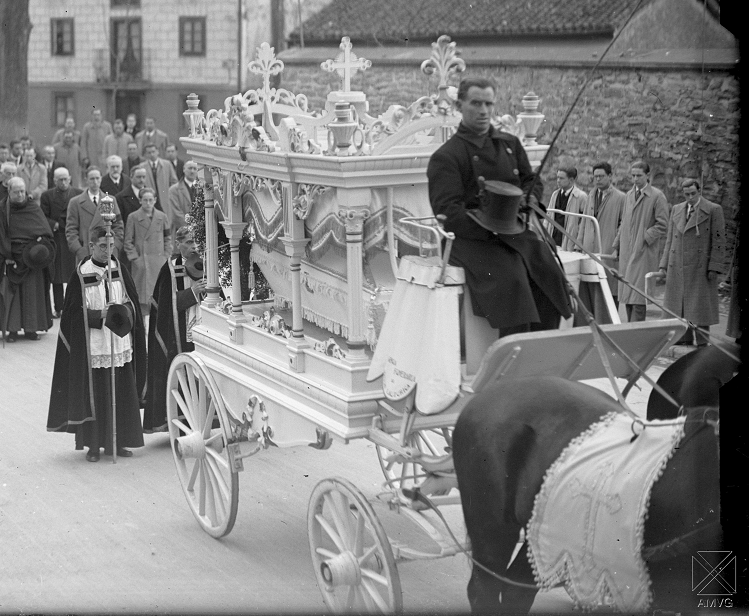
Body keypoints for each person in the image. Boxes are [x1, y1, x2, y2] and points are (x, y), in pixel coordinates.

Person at [427, 77, 572, 336]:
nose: (483, 111)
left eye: (488, 104)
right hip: (471, 241)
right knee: (512, 280)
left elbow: (530, 181)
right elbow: (448, 212)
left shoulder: (509, 144)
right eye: (475, 103)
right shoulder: (447, 156)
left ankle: (541, 347)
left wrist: (529, 200)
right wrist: (491, 224)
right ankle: (511, 351)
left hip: (513, 232)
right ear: (460, 105)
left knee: (549, 271)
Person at [46, 225, 146, 462]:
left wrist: (124, 311)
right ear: (91, 246)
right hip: (95, 345)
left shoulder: (118, 269)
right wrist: (98, 315)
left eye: (111, 246)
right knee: (98, 394)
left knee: (121, 392)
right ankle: (94, 445)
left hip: (118, 342)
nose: (107, 250)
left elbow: (132, 302)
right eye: (102, 246)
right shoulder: (81, 274)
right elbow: (71, 314)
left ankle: (119, 442)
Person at [143, 226, 206, 432]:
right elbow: (165, 307)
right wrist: (192, 293)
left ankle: (206, 420)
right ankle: (183, 423)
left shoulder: (207, 263)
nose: (193, 246)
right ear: (177, 245)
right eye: (188, 242)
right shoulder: (169, 269)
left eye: (195, 241)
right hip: (180, 335)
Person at [658, 179, 725, 346]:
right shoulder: (677, 209)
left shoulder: (712, 210)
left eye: (693, 194)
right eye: (686, 194)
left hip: (701, 267)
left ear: (699, 191)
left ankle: (702, 343)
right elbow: (669, 240)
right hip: (678, 264)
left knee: (700, 307)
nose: (690, 198)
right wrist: (663, 265)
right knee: (679, 305)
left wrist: (714, 267)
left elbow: (719, 241)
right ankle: (683, 339)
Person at [612, 161, 669, 322]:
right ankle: (630, 330)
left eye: (639, 175)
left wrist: (644, 237)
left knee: (638, 296)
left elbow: (663, 225)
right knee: (627, 295)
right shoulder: (629, 195)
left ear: (647, 176)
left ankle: (636, 333)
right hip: (626, 250)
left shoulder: (657, 196)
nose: (635, 179)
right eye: (633, 175)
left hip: (643, 252)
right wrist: (616, 245)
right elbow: (623, 223)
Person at [0, 177, 54, 342]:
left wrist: (39, 247)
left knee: (32, 294)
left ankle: (32, 329)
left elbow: (45, 232)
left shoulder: (33, 207)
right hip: (12, 257)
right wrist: (6, 255)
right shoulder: (3, 209)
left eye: (22, 191)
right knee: (13, 296)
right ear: (9, 191)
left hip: (32, 258)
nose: (20, 194)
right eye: (16, 192)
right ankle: (13, 331)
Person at [575, 162, 625, 322]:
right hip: (589, 249)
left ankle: (610, 325)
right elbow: (584, 222)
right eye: (595, 176)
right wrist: (578, 244)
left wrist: (616, 247)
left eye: (601, 176)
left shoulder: (620, 198)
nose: (598, 179)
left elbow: (623, 226)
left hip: (607, 250)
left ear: (610, 176)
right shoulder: (591, 195)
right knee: (590, 287)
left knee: (609, 289)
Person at [40, 167, 82, 317]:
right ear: (54, 180)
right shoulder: (47, 196)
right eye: (60, 180)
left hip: (73, 237)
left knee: (74, 274)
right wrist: (55, 225)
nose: (63, 183)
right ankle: (59, 307)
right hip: (57, 238)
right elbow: (43, 216)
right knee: (57, 276)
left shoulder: (78, 193)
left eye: (65, 179)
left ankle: (74, 306)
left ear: (70, 178)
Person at [124, 188, 172, 316]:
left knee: (158, 297)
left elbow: (168, 238)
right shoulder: (133, 217)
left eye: (151, 200)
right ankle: (143, 329)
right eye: (145, 200)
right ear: (140, 200)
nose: (148, 203)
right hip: (142, 264)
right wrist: (136, 259)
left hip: (158, 262)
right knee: (142, 299)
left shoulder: (162, 217)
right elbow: (128, 241)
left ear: (155, 200)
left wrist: (166, 256)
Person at [66, 167, 125, 263]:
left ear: (101, 178)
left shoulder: (110, 200)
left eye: (97, 178)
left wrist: (115, 247)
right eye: (92, 179)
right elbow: (71, 230)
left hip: (107, 251)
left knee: (107, 277)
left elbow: (118, 226)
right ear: (86, 180)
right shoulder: (75, 202)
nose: (95, 181)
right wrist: (79, 250)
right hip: (86, 252)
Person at [547, 166, 587, 250]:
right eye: (557, 177)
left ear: (571, 180)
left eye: (561, 178)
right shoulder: (555, 194)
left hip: (569, 242)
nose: (558, 180)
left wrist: (578, 244)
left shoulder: (581, 197)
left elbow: (584, 223)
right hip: (552, 240)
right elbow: (548, 217)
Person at [139, 143, 177, 222]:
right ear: (146, 154)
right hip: (150, 199)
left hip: (165, 199)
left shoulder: (167, 164)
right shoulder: (142, 166)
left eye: (153, 151)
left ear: (158, 152)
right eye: (149, 153)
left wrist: (169, 193)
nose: (152, 154)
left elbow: (174, 181)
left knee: (167, 221)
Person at [168, 160, 198, 241]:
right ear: (184, 169)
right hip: (181, 233)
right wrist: (190, 228)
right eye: (190, 168)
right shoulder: (174, 190)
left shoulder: (203, 188)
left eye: (195, 169)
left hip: (200, 233)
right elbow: (176, 214)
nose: (192, 171)